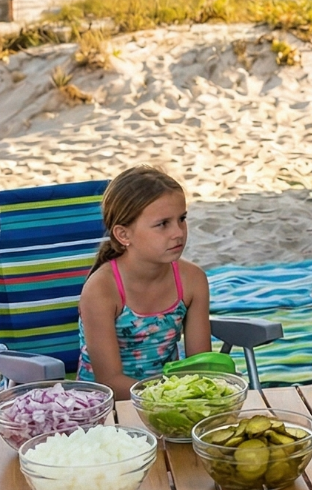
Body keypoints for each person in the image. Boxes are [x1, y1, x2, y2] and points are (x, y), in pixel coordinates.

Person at [77, 166, 213, 400]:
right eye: (163, 224)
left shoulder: (192, 280)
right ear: (123, 235)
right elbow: (109, 380)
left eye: (182, 219)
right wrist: (169, 397)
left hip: (171, 404)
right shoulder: (102, 290)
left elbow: (198, 366)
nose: (178, 232)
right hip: (106, 408)